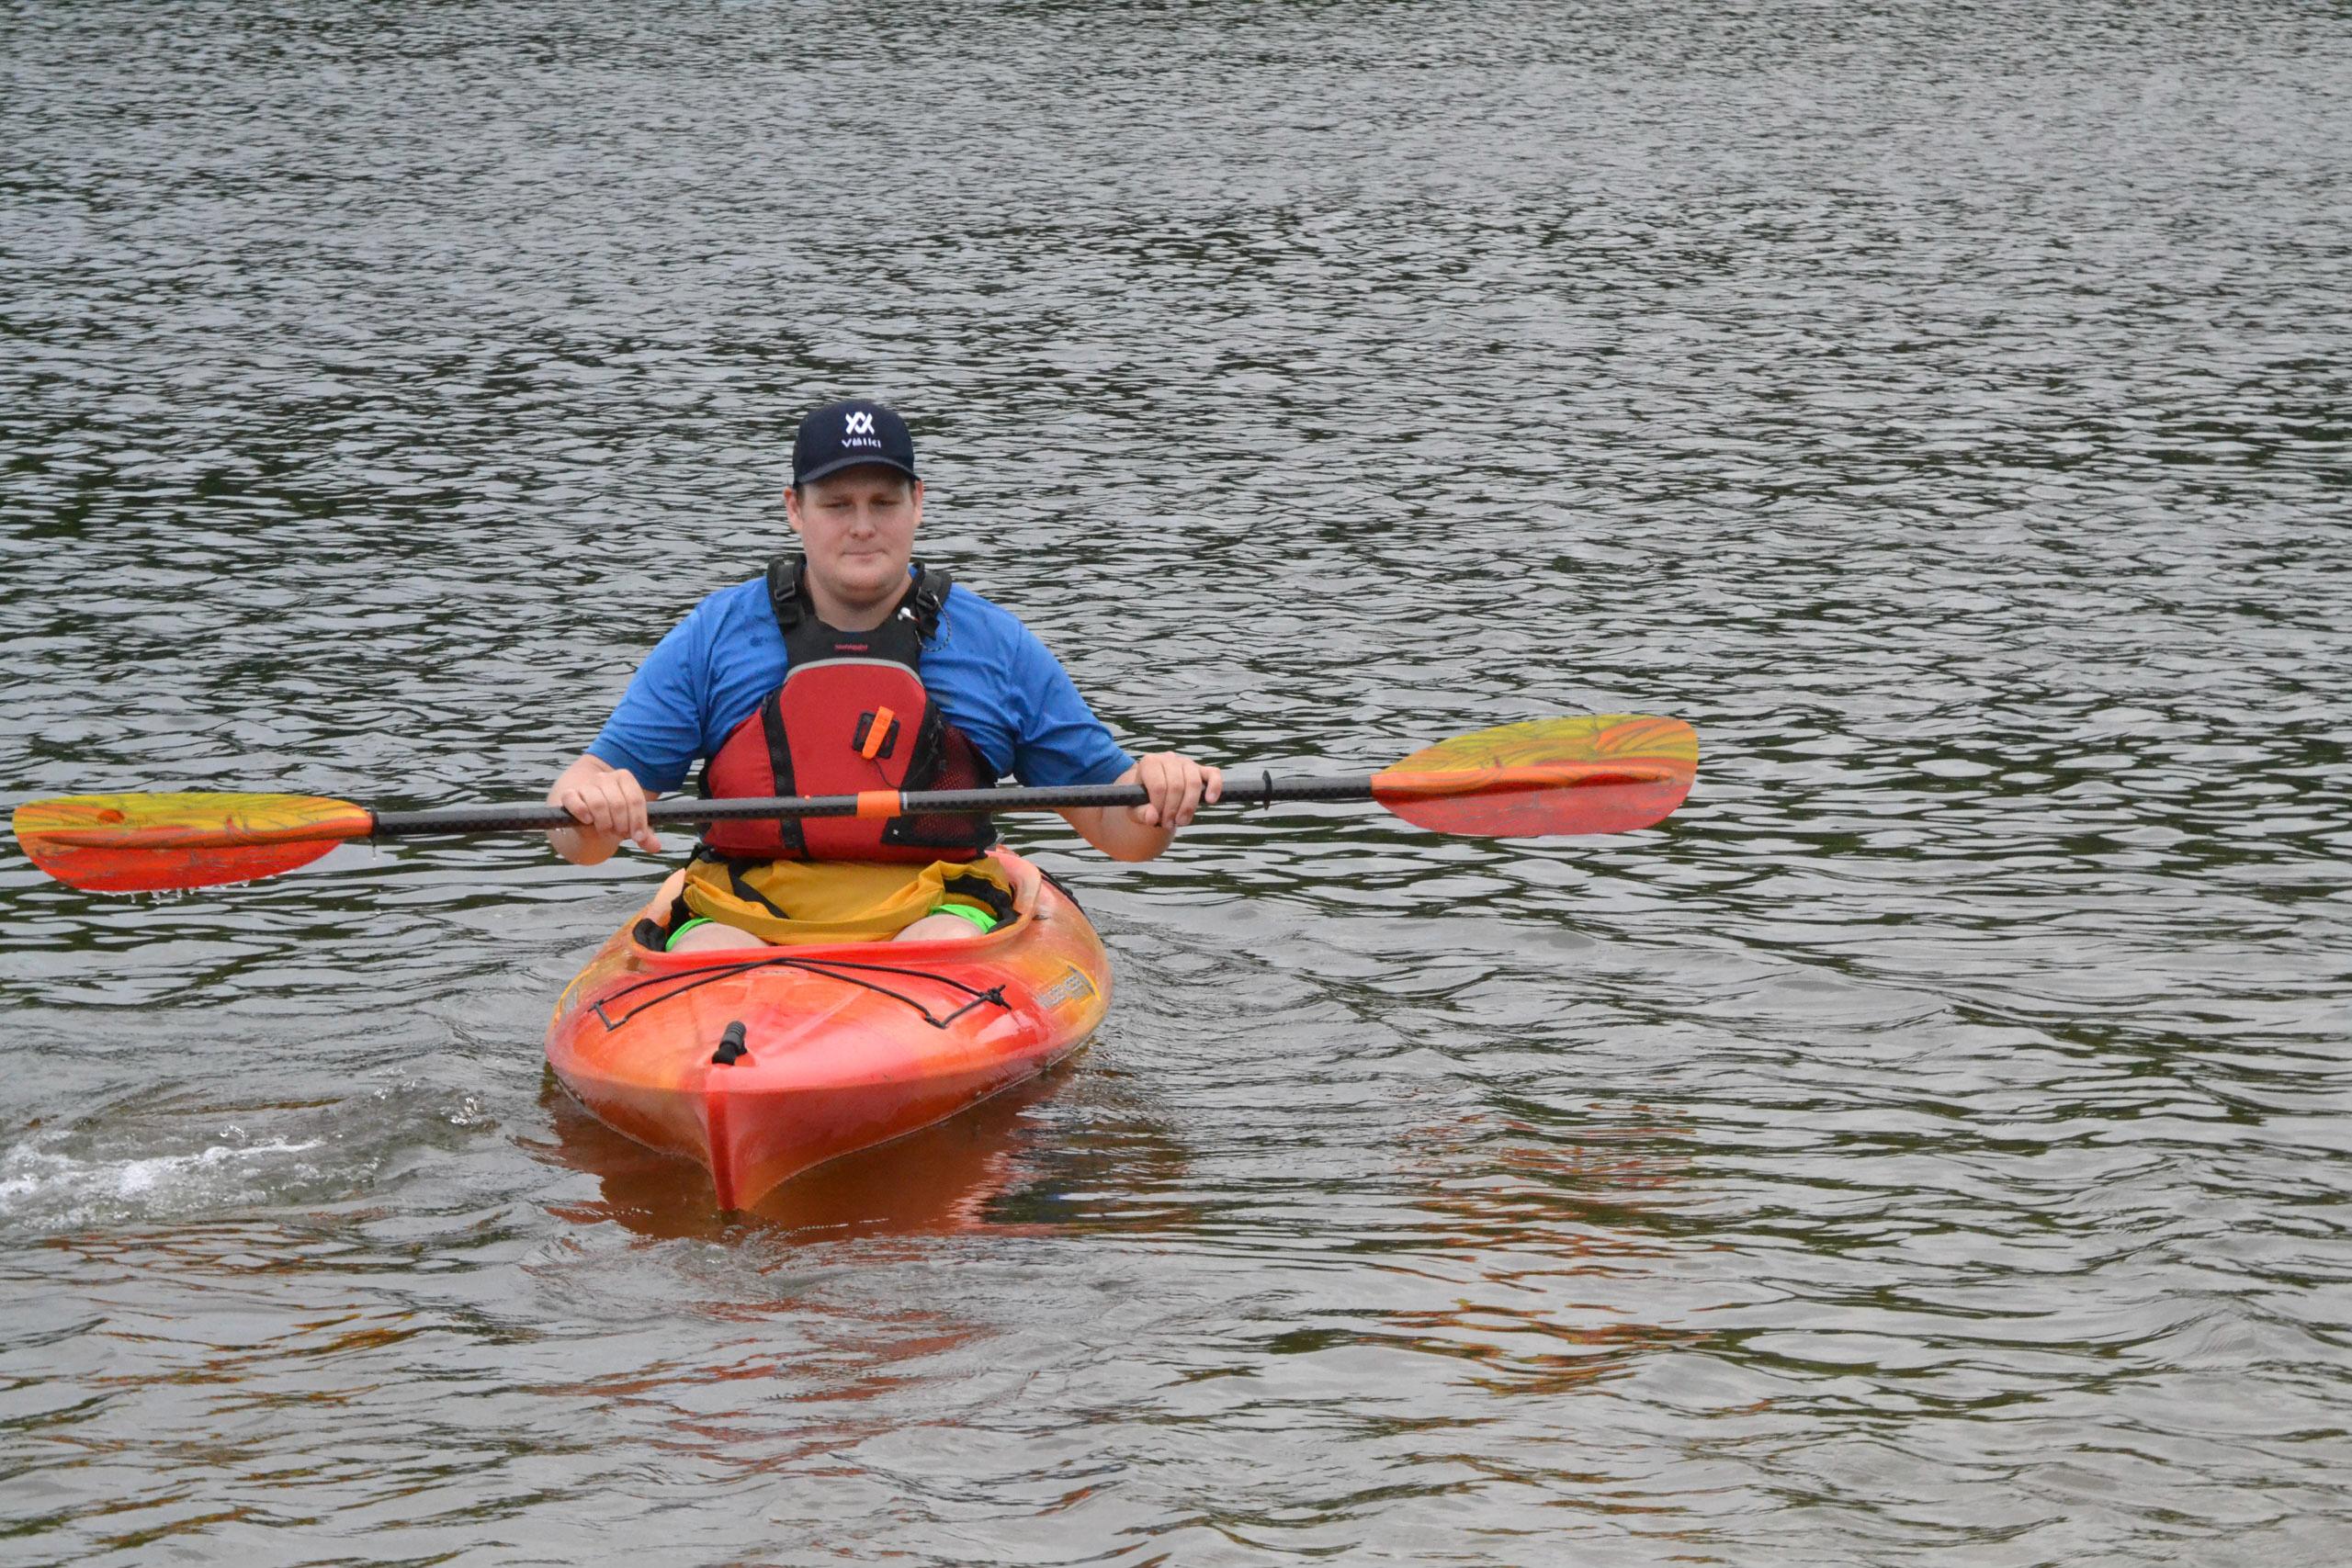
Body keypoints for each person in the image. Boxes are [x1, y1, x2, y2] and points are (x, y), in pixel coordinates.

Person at [546, 399, 1222, 952]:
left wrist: (1157, 790)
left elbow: (1119, 827)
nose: (863, 526)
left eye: (884, 502)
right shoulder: (716, 635)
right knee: (710, 956)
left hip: (936, 907)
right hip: (743, 909)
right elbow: (575, 822)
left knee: (941, 945)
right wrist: (594, 807)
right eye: (837, 504)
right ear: (794, 508)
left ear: (918, 503)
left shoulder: (993, 644)